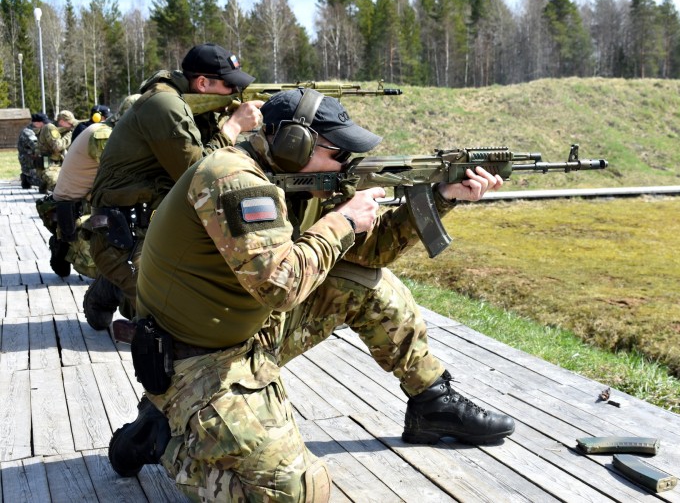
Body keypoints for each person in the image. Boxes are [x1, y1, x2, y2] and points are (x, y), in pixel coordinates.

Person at [108, 89, 515, 501]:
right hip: (196, 359)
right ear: (293, 143)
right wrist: (342, 221)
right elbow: (279, 285)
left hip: (253, 331)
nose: (346, 164)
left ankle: (431, 401)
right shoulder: (232, 178)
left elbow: (370, 253)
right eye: (338, 153)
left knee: (368, 284)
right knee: (294, 493)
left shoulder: (298, 180)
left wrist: (443, 198)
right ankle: (168, 442)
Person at [84, 43, 263, 330]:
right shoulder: (164, 103)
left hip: (158, 222)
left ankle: (116, 283)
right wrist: (232, 127)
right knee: (175, 322)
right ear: (203, 83)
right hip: (124, 234)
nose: (234, 94)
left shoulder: (183, 102)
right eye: (230, 87)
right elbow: (200, 173)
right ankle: (116, 283)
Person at [35, 95, 140, 300]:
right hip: (75, 209)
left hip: (80, 203)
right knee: (101, 268)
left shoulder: (109, 132)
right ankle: (64, 244)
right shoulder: (104, 135)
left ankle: (64, 242)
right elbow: (120, 177)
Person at [37, 110, 78, 193]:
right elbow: (58, 146)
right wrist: (69, 135)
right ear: (62, 122)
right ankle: (44, 181)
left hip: (60, 164)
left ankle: (43, 184)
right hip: (48, 164)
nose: (72, 126)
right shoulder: (50, 128)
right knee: (59, 187)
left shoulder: (64, 131)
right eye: (70, 123)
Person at [17, 112, 49, 189]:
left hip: (37, 160)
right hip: (29, 162)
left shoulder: (39, 130)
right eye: (44, 123)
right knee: (46, 182)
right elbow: (37, 146)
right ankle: (26, 178)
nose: (46, 125)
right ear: (37, 123)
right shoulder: (27, 132)